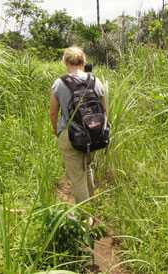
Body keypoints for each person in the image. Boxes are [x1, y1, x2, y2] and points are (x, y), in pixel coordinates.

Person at [50, 47, 107, 204]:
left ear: (65, 62)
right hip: (94, 133)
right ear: (84, 61)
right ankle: (93, 203)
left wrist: (57, 132)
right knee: (87, 167)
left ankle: (85, 215)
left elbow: (53, 113)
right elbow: (104, 110)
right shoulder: (96, 81)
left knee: (77, 177)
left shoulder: (59, 83)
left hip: (70, 134)